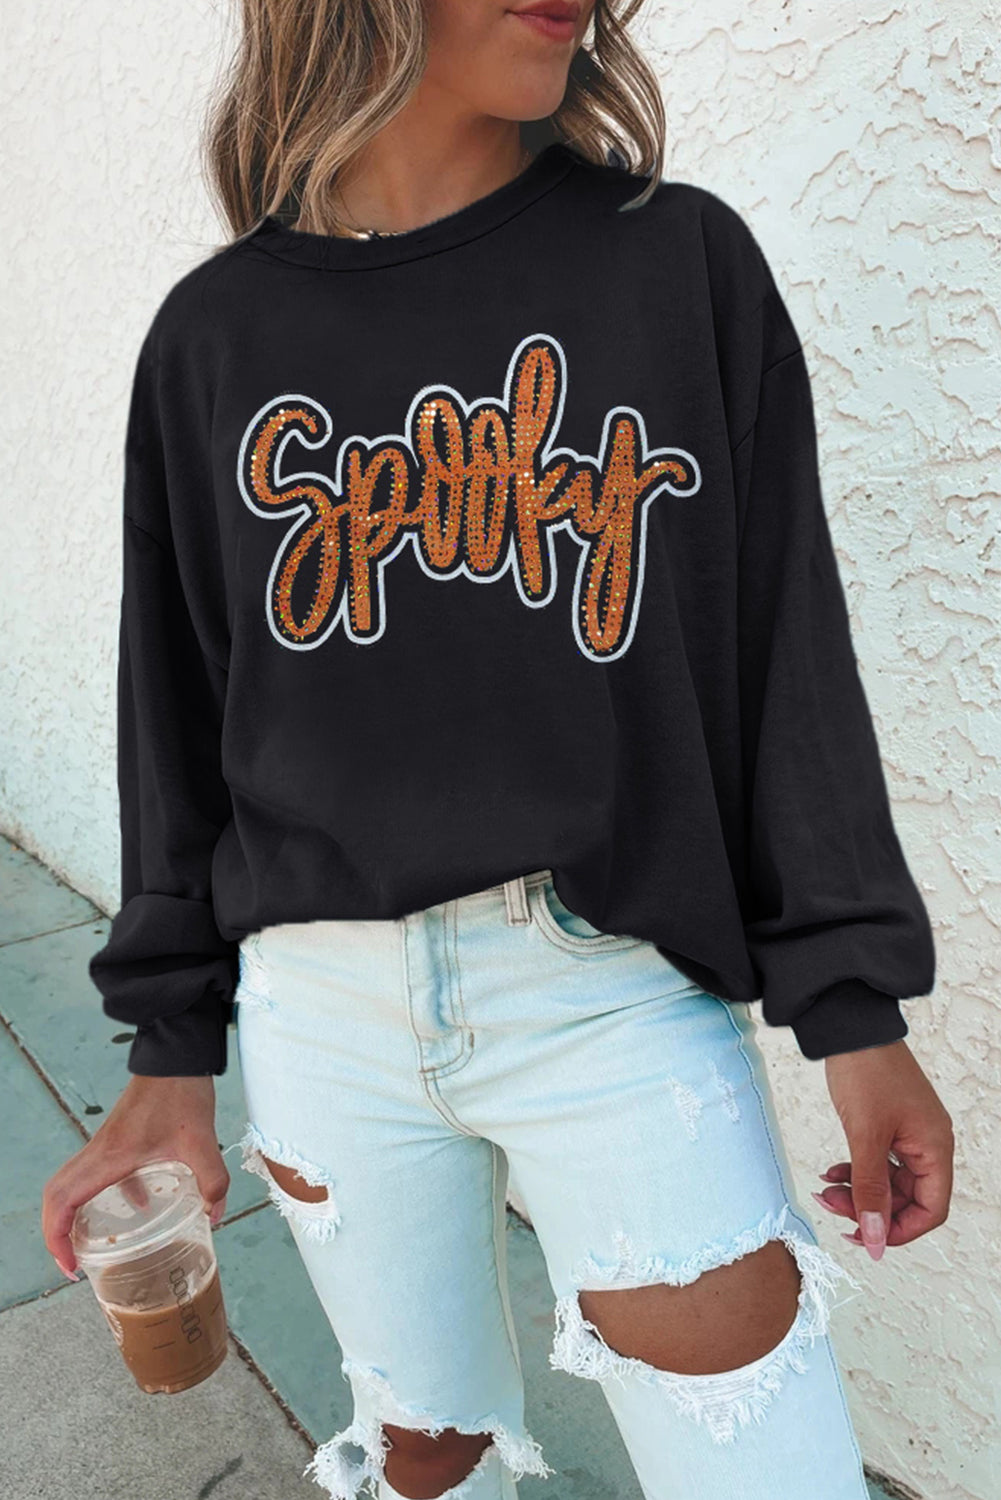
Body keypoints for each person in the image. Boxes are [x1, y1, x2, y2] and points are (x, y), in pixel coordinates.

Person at [43, 2, 954, 1497]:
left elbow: (781, 653)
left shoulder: (675, 265)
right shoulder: (215, 334)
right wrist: (169, 1052)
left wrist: (851, 1008)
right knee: (428, 1459)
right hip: (320, 1013)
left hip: (609, 1001)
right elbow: (178, 718)